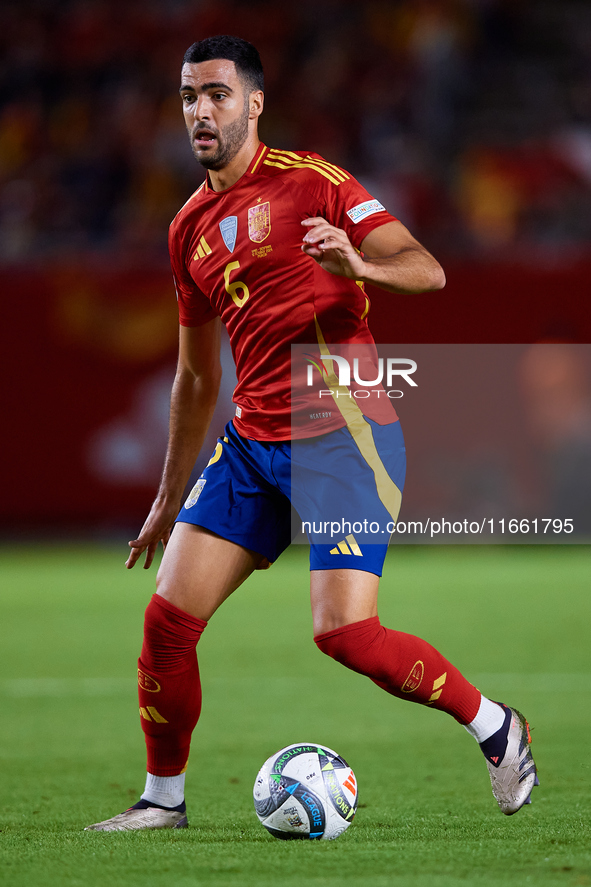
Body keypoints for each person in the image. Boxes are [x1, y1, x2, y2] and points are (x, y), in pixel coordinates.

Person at [86, 35, 537, 832]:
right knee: (165, 624)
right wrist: (165, 498)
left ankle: (495, 725)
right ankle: (163, 800)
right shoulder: (186, 227)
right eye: (189, 95)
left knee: (347, 635)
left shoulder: (312, 183)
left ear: (253, 104)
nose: (200, 110)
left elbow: (425, 267)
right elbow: (196, 378)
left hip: (343, 437)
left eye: (217, 95)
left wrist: (362, 269)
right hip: (251, 447)